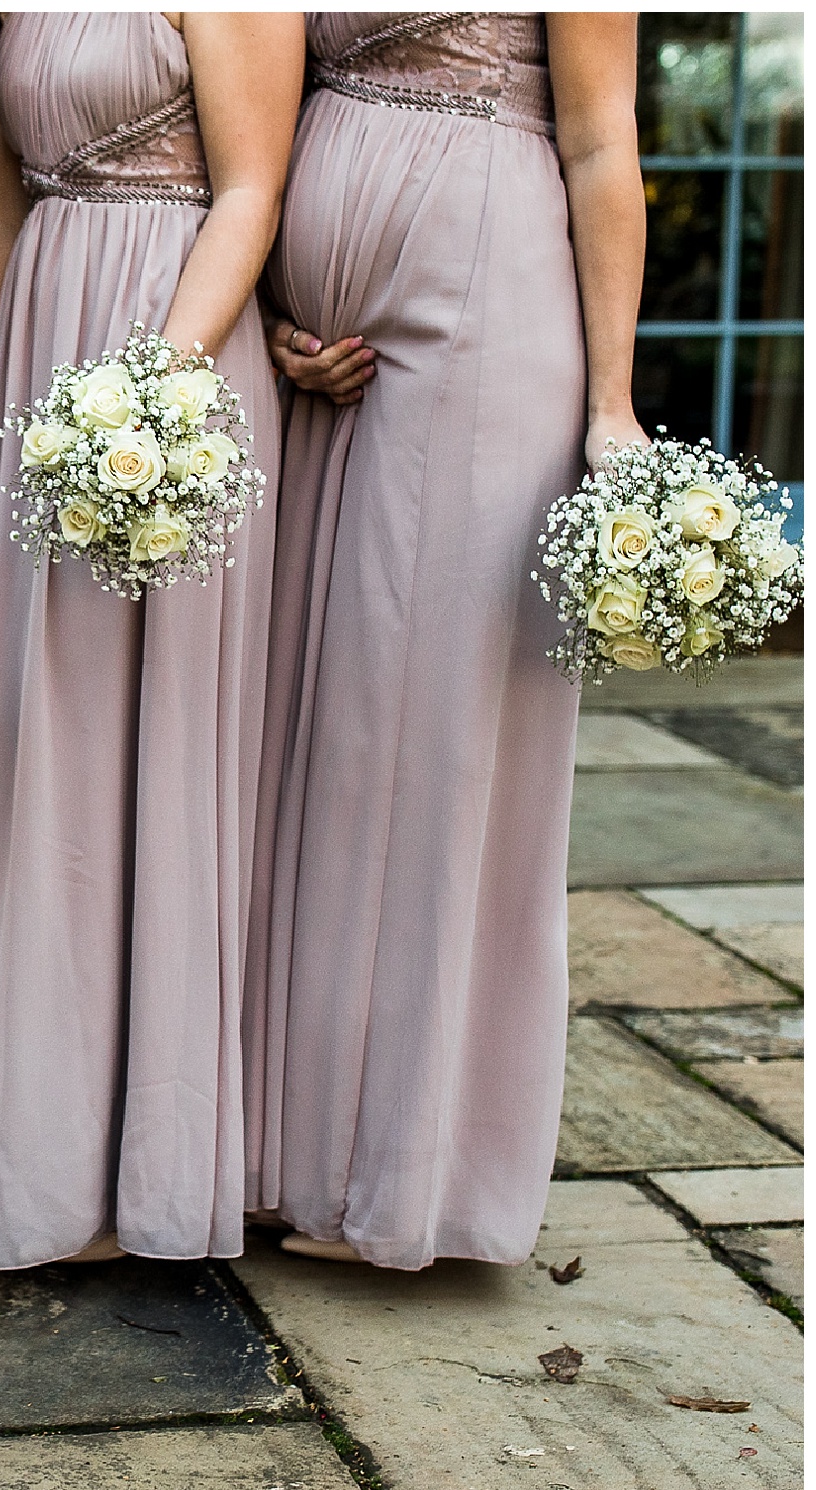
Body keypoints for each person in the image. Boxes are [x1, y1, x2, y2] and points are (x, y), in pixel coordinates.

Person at [246, 13, 647, 1267]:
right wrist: (273, 313)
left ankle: (407, 1173)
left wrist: (614, 404)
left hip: (489, 300)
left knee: (433, 739)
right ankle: (285, 1148)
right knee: (313, 734)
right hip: (324, 353)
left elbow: (597, 139)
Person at [0, 12, 301, 1269]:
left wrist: (154, 383)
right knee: (54, 742)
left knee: (161, 745)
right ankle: (39, 1156)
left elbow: (252, 188)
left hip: (171, 367)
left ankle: (152, 1165)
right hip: (46, 349)